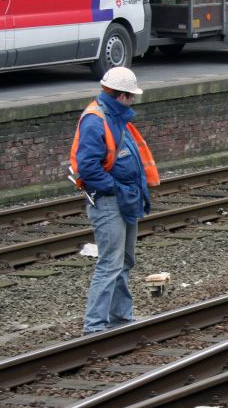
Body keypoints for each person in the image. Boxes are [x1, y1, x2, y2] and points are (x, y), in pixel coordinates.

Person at [70, 67, 160, 335]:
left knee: (125, 261)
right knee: (110, 264)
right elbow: (88, 168)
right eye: (131, 96)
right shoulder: (96, 120)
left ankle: (120, 318)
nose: (133, 100)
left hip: (124, 199)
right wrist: (117, 189)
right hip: (110, 201)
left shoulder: (115, 117)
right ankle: (95, 327)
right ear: (122, 96)